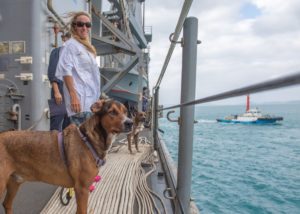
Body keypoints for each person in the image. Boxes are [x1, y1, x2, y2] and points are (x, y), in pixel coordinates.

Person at [55, 11, 100, 126]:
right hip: (80, 102)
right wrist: (73, 96)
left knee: (88, 140)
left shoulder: (86, 48)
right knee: (82, 140)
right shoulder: (70, 45)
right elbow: (66, 70)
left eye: (87, 25)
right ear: (74, 26)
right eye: (80, 24)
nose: (84, 27)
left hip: (90, 103)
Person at [47, 32, 71, 131]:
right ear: (64, 39)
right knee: (56, 125)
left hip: (70, 95)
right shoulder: (57, 52)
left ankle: (65, 146)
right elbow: (52, 72)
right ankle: (53, 146)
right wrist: (56, 92)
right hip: (60, 92)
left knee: (69, 126)